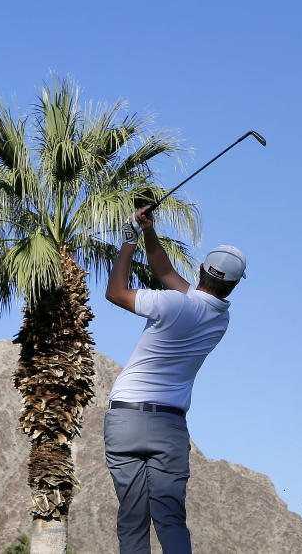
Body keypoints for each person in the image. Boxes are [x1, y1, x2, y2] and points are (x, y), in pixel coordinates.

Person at [103, 206, 246, 554]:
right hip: (169, 426)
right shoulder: (218, 320)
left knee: (133, 518)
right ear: (232, 286)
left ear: (200, 269)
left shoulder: (171, 303)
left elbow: (116, 293)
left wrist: (128, 240)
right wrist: (148, 231)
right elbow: (165, 271)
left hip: (125, 418)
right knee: (169, 519)